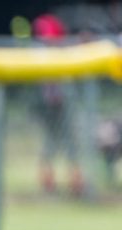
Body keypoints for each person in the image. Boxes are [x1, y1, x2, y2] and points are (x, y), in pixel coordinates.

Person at [31, 13, 87, 196]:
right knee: (50, 144)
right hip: (49, 106)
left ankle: (76, 183)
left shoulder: (62, 50)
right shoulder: (41, 52)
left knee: (71, 143)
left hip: (64, 103)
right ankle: (49, 183)